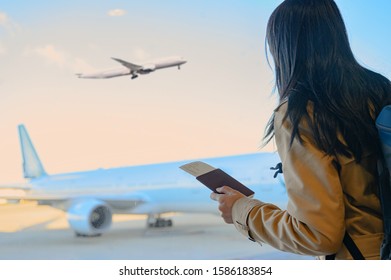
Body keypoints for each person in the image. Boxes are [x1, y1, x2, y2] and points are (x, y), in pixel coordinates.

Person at [211, 0, 391, 260]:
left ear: (282, 47)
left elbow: (318, 235)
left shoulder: (301, 111)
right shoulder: (381, 89)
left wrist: (242, 210)